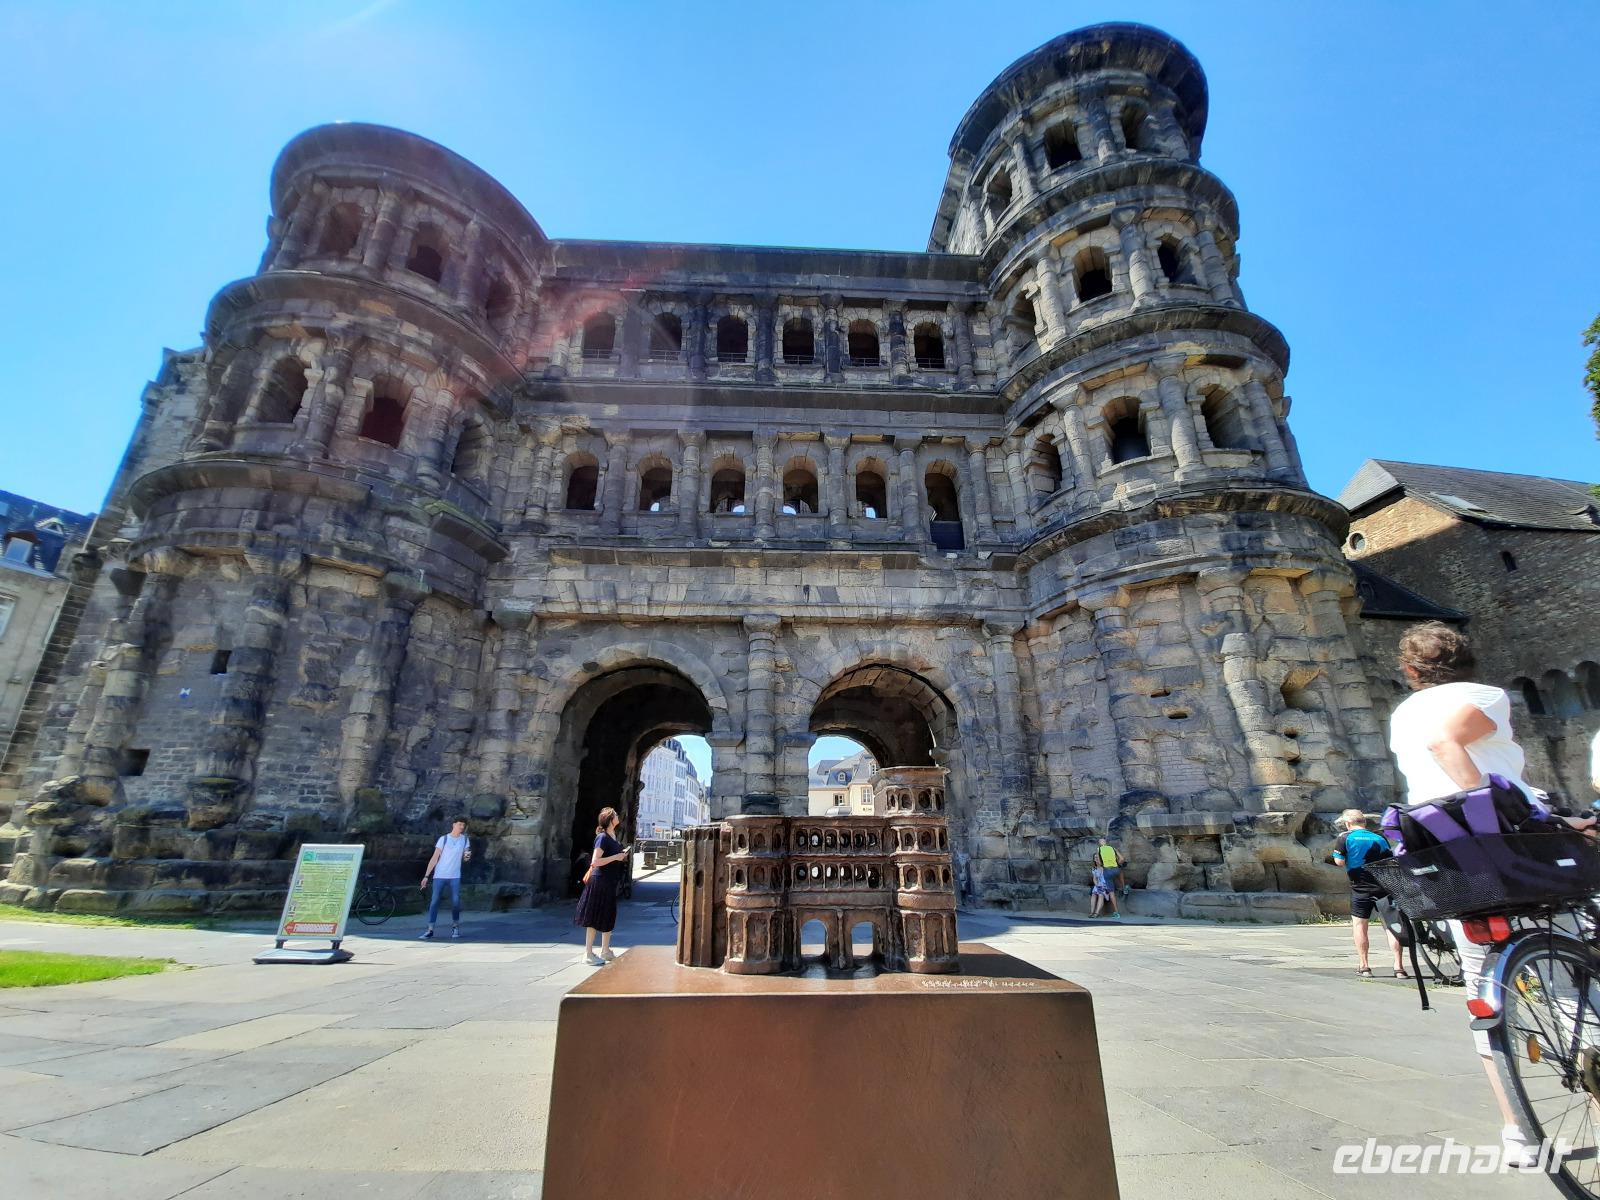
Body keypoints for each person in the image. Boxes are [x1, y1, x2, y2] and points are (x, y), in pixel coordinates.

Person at [1387, 622, 1596, 1167]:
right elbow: (1446, 742)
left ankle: (1518, 1134)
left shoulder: (1402, 712)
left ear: (1411, 671)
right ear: (1466, 661)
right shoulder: (1484, 695)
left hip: (1443, 851)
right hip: (1504, 843)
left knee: (1484, 991)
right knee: (1571, 975)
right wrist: (1492, 813)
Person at [1329, 808, 1404, 978]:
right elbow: (1389, 860)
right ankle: (1399, 967)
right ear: (1364, 822)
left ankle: (1364, 966)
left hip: (1360, 887)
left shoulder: (1345, 837)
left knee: (1360, 925)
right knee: (1390, 926)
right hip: (1384, 887)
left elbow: (1339, 862)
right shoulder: (1379, 838)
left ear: (1348, 824)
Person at [574, 806, 630, 966]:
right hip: (599, 881)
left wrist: (621, 856)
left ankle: (605, 950)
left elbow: (613, 856)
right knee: (593, 916)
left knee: (608, 914)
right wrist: (615, 857)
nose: (619, 816)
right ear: (610, 820)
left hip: (610, 881)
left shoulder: (613, 836)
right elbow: (595, 861)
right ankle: (588, 953)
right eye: (616, 815)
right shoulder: (602, 837)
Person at [419, 816, 472, 940]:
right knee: (434, 902)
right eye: (459, 824)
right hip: (440, 875)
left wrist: (467, 857)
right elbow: (434, 858)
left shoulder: (464, 840)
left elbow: (465, 858)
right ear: (453, 825)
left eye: (463, 825)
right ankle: (430, 929)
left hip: (455, 876)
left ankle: (455, 927)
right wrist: (426, 876)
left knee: (455, 902)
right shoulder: (444, 839)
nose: (461, 827)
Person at [1094, 837, 1125, 919]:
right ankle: (1124, 887)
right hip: (1116, 869)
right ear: (1106, 842)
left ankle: (1117, 913)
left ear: (1100, 843)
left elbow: (1099, 862)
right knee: (1120, 870)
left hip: (1107, 871)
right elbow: (1122, 859)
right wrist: (1117, 864)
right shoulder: (1112, 848)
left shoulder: (1099, 849)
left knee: (1112, 893)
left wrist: (1103, 866)